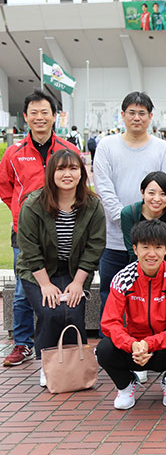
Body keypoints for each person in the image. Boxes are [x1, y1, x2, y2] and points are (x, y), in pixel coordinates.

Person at [0, 90, 79, 368]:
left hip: (63, 229)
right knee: (23, 288)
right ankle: (22, 343)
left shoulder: (68, 150)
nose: (39, 117)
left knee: (61, 281)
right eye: (33, 112)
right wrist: (20, 212)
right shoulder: (14, 153)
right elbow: (5, 187)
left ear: (55, 116)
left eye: (45, 112)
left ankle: (63, 342)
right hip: (25, 232)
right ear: (25, 117)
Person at [16, 149, 105, 387]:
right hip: (38, 271)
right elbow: (29, 248)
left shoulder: (92, 205)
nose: (68, 174)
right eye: (61, 169)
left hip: (75, 270)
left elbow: (95, 246)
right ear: (51, 173)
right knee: (50, 311)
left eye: (73, 168)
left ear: (82, 172)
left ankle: (77, 365)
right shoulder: (33, 204)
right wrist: (45, 284)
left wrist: (77, 283)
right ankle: (49, 365)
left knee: (73, 313)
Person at [93, 91, 166, 332]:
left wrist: (144, 230)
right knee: (111, 292)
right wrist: (127, 222)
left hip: (151, 241)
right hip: (115, 240)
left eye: (142, 113)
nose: (136, 117)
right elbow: (104, 188)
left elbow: (165, 191)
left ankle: (153, 345)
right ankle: (109, 342)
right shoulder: (107, 146)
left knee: (151, 297)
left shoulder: (162, 149)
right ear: (122, 115)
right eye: (131, 112)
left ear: (150, 117)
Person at [96, 220, 166, 410]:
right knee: (104, 349)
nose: (151, 254)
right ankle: (125, 386)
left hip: (161, 346)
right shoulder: (124, 277)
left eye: (158, 247)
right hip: (133, 348)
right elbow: (110, 322)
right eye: (145, 247)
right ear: (135, 249)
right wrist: (131, 344)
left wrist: (151, 343)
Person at [121, 171, 166, 324]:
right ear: (142, 193)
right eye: (151, 193)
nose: (157, 199)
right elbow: (132, 250)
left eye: (163, 194)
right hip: (139, 266)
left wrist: (164, 277)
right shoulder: (129, 214)